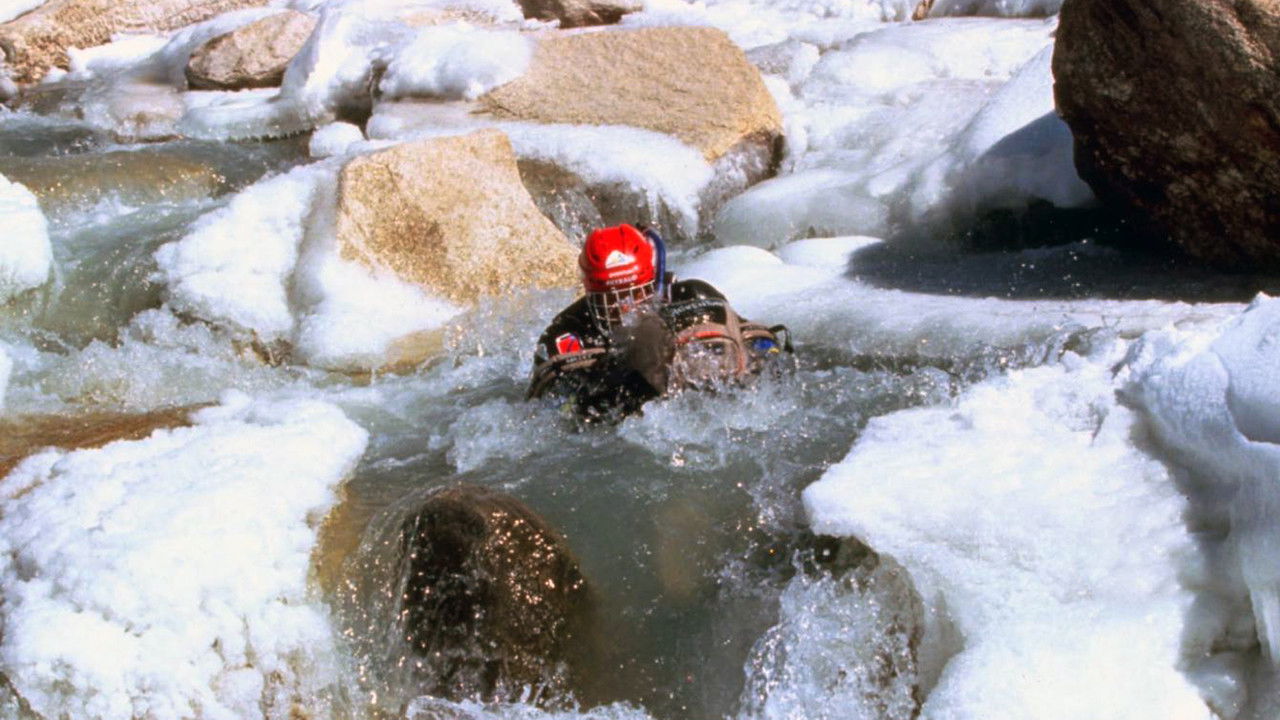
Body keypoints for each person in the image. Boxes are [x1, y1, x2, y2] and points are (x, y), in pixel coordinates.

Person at [526, 223, 791, 421]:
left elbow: (761, 343)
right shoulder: (567, 334)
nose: (624, 307)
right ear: (591, 293)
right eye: (610, 300)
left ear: (651, 283)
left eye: (634, 294)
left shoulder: (690, 296)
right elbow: (554, 410)